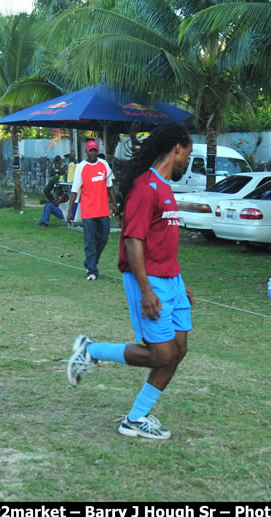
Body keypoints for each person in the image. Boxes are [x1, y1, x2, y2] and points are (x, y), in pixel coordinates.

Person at [65, 123, 195, 440]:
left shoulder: (164, 186)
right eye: (187, 157)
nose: (187, 164)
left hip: (171, 280)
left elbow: (161, 240)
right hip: (148, 281)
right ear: (176, 148)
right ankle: (91, 351)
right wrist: (147, 289)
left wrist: (180, 281)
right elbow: (133, 241)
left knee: (178, 349)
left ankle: (136, 418)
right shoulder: (144, 187)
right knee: (161, 354)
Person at [67, 140, 118, 280]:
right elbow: (74, 191)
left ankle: (90, 261)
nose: (93, 153)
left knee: (103, 238)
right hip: (88, 210)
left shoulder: (104, 165)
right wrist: (70, 211)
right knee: (89, 240)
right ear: (86, 151)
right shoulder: (81, 167)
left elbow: (110, 187)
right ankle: (91, 271)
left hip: (103, 210)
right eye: (91, 151)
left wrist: (114, 205)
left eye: (95, 150)